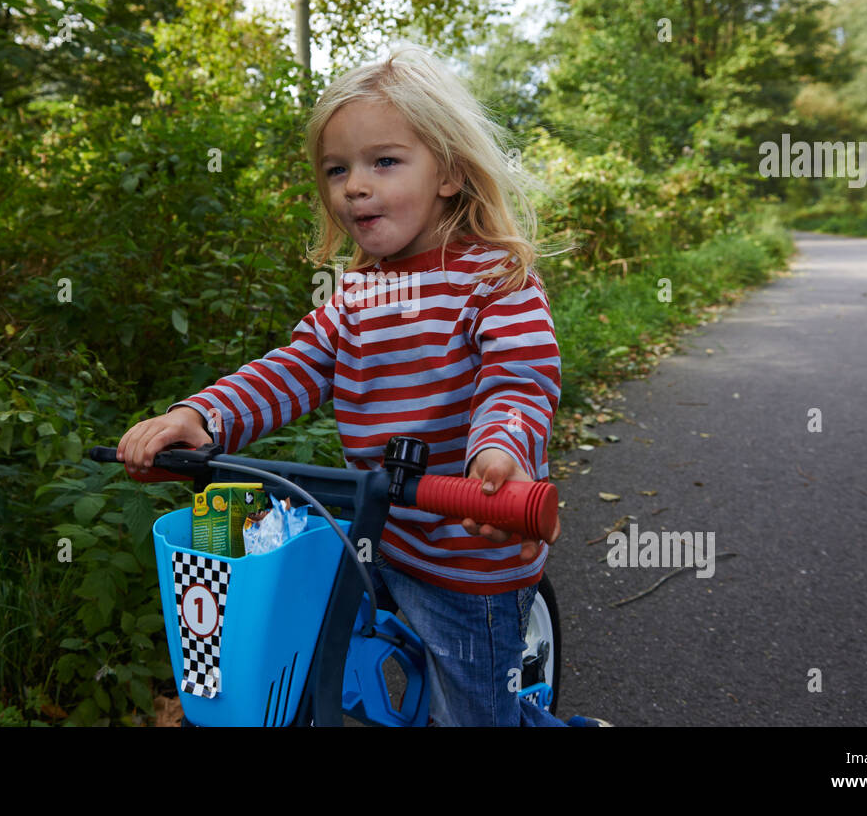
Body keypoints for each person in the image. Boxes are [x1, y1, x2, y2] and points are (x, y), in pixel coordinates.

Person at [120, 42, 594, 726]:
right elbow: (298, 364)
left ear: (450, 173)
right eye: (337, 169)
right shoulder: (357, 293)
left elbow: (518, 380)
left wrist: (504, 454)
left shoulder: (495, 278)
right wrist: (206, 415)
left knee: (469, 711)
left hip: (466, 551)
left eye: (384, 162)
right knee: (324, 671)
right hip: (372, 538)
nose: (354, 186)